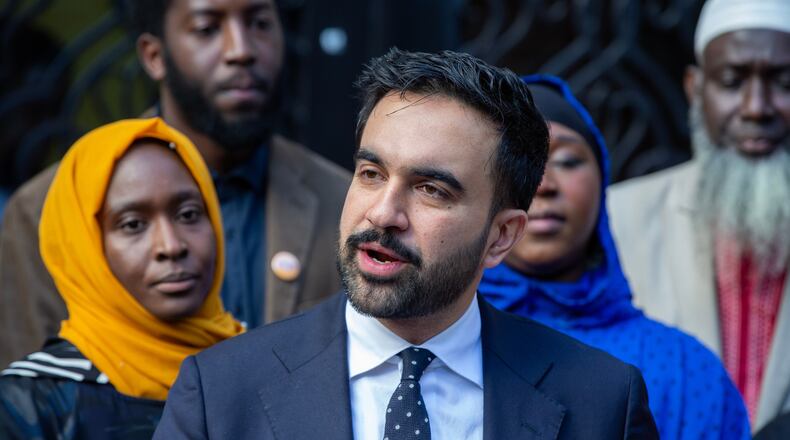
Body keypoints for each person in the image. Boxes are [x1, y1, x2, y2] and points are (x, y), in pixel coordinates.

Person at [152, 48, 658, 439]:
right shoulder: (219, 394)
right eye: (371, 173)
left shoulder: (601, 401)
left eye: (431, 190)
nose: (383, 214)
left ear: (501, 236)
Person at [0, 0, 350, 367]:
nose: (241, 50)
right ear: (154, 55)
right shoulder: (46, 210)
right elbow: (26, 400)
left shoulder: (345, 205)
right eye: (207, 28)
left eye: (260, 23)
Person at [478, 74, 750, 439]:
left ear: (602, 180)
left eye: (568, 160)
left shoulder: (683, 369)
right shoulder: (433, 347)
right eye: (519, 162)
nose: (543, 184)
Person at [608, 0, 790, 430]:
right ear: (695, 88)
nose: (756, 107)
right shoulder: (620, 218)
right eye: (732, 81)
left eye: (782, 82)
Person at [0, 118, 244, 438]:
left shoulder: (263, 365)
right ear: (85, 249)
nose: (171, 246)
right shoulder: (30, 404)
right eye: (133, 225)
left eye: (188, 215)